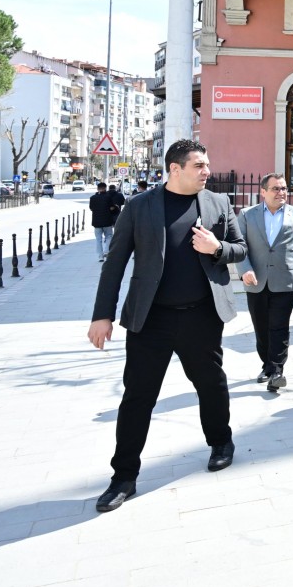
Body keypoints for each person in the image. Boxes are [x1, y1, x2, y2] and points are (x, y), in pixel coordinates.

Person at [87, 139, 246, 513]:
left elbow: (239, 248)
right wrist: (102, 314)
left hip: (201, 316)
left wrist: (217, 248)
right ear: (175, 169)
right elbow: (115, 263)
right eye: (199, 166)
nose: (207, 171)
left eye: (207, 164)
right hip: (151, 319)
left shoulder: (218, 204)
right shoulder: (140, 207)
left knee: (211, 384)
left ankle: (221, 442)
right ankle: (123, 477)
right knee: (138, 397)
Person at [239, 173, 293, 392]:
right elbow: (240, 246)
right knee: (261, 327)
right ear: (262, 192)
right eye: (275, 189)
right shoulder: (247, 215)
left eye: (283, 188)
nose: (281, 192)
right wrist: (244, 270)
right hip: (256, 281)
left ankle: (277, 371)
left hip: (285, 281)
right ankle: (267, 365)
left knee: (279, 327)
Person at [89, 181, 126, 262]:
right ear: (105, 188)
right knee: (109, 236)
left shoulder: (92, 198)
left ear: (98, 188)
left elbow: (91, 208)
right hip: (107, 221)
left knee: (98, 239)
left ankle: (100, 256)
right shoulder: (108, 197)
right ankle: (106, 251)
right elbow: (112, 208)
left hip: (96, 222)